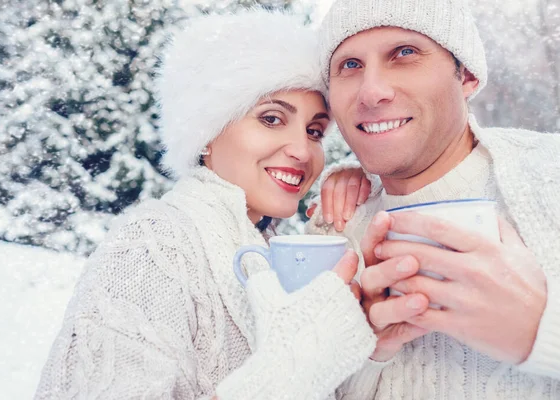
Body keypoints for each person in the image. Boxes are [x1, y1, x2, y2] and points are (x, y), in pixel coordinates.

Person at [34, 9, 378, 400]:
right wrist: (286, 372)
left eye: (314, 131)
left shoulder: (268, 247)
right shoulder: (154, 246)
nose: (303, 150)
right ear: (206, 132)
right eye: (271, 119)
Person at [307, 0, 560, 398]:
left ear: (468, 76)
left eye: (405, 53)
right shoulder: (332, 228)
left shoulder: (549, 175)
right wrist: (369, 350)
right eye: (350, 66)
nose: (371, 92)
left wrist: (543, 331)